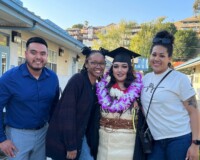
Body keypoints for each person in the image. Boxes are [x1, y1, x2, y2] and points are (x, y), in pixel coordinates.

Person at [137, 30, 200, 160]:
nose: (156, 59)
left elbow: (194, 112)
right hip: (155, 140)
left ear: (169, 58)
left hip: (179, 139)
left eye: (162, 55)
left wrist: (195, 144)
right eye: (154, 54)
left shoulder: (179, 79)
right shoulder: (145, 79)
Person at [0, 37, 60, 160]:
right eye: (33, 52)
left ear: (47, 55)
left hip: (43, 134)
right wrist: (1, 140)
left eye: (42, 53)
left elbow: (54, 107)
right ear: (26, 54)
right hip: (17, 136)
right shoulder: (9, 78)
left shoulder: (53, 78)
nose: (38, 57)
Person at [46, 47, 107, 160]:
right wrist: (71, 146)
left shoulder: (95, 85)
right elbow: (67, 114)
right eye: (93, 62)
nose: (98, 66)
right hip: (66, 139)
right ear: (86, 64)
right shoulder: (78, 81)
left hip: (81, 136)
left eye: (101, 63)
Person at [96, 47, 143, 160]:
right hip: (104, 145)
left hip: (128, 147)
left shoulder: (138, 92)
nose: (119, 70)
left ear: (130, 68)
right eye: (116, 66)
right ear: (112, 69)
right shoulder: (103, 89)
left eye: (124, 66)